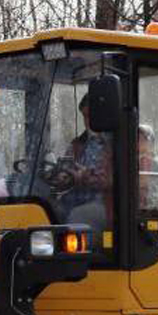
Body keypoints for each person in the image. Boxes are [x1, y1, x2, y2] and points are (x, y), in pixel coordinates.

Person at [59, 92, 113, 234]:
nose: (87, 121)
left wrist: (84, 176)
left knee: (79, 216)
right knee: (48, 208)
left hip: (106, 204)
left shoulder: (115, 143)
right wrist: (62, 175)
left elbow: (108, 180)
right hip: (73, 200)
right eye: (84, 116)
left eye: (90, 116)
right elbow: (66, 168)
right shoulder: (78, 144)